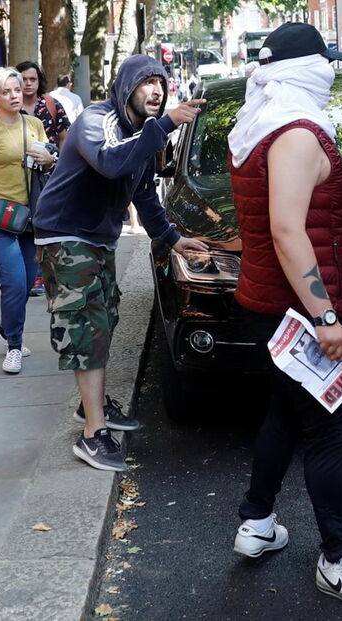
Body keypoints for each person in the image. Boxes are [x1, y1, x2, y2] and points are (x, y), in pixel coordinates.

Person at [225, 22, 342, 607]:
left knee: (285, 414)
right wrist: (325, 318)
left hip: (269, 304)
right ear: (310, 68)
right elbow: (288, 230)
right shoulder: (294, 132)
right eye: (326, 60)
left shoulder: (260, 123)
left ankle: (257, 523)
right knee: (329, 426)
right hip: (296, 314)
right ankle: (336, 560)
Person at [33, 54, 208, 472]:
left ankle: (90, 407)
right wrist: (165, 124)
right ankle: (93, 435)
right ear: (126, 87)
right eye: (147, 82)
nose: (156, 90)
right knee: (85, 329)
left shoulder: (145, 135)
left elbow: (144, 195)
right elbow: (111, 163)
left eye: (160, 83)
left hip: (98, 239)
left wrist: (173, 239)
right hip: (66, 235)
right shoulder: (98, 120)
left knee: (102, 321)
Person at [0, 67, 55, 374]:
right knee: (15, 284)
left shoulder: (33, 125)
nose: (14, 95)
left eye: (16, 90)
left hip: (31, 217)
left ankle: (6, 329)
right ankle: (14, 345)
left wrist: (51, 159)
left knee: (29, 281)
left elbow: (46, 164)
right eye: (5, 92)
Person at [16, 61, 71, 298]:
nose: (28, 84)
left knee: (46, 223)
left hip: (49, 174)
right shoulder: (10, 107)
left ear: (39, 81)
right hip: (18, 177)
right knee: (23, 225)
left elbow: (65, 137)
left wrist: (61, 166)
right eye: (23, 79)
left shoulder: (50, 105)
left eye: (32, 79)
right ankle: (30, 273)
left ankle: (46, 274)